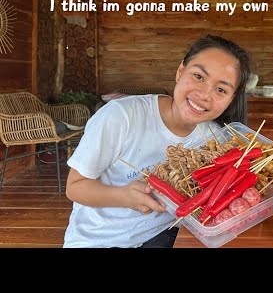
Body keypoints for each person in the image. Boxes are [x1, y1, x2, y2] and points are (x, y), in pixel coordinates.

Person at [63, 34, 251, 248]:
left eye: (221, 89)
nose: (204, 94)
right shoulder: (121, 116)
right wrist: (124, 196)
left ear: (231, 99)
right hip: (101, 240)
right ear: (180, 71)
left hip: (167, 233)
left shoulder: (216, 139)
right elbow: (75, 187)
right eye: (199, 76)